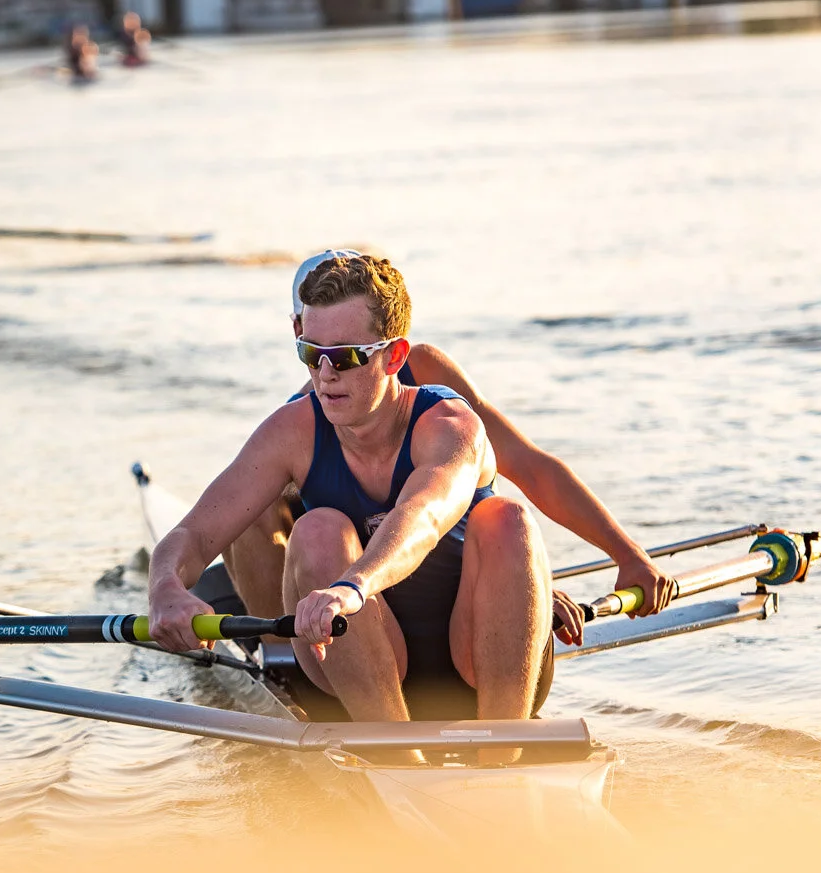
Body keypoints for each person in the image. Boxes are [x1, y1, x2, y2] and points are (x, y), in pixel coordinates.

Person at [150, 253, 546, 722]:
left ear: (394, 356)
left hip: (478, 659)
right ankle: (394, 751)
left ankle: (505, 743)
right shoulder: (291, 430)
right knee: (317, 531)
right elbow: (193, 534)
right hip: (357, 661)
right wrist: (165, 587)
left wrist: (353, 587)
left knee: (509, 519)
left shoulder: (451, 427)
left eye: (344, 356)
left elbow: (423, 516)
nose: (325, 374)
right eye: (311, 354)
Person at [220, 249, 678, 650]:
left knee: (501, 520)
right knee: (249, 509)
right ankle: (280, 650)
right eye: (312, 344)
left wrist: (623, 556)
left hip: (438, 565)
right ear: (299, 327)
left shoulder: (424, 371)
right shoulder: (298, 419)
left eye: (351, 347)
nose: (328, 364)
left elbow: (529, 467)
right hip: (353, 588)